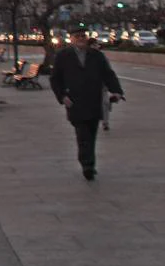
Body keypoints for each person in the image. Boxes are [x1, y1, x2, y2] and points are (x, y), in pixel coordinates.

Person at [49, 24, 125, 181]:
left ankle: (88, 161)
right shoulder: (63, 56)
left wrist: (116, 91)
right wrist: (62, 96)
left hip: (93, 100)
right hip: (74, 101)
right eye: (77, 37)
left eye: (83, 36)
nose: (81, 39)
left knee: (91, 133)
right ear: (71, 39)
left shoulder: (96, 55)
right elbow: (55, 79)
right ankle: (87, 165)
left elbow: (108, 74)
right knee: (82, 134)